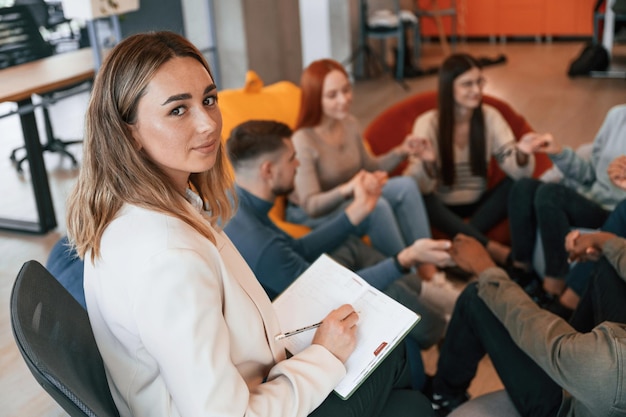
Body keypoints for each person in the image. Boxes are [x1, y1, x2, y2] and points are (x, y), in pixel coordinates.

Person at [65, 31, 435, 417]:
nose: (208, 124)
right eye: (178, 110)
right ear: (130, 133)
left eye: (209, 100)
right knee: (394, 364)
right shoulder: (167, 258)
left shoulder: (144, 209)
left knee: (407, 400)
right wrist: (323, 355)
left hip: (252, 380)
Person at [224, 120, 454, 389]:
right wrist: (403, 260)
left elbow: (295, 249)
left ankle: (429, 306)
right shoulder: (260, 243)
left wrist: (353, 216)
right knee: (387, 291)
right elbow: (319, 290)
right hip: (295, 323)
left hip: (296, 285)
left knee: (353, 247)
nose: (297, 164)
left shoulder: (237, 201)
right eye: (292, 158)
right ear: (268, 170)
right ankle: (441, 328)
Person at [429, 234, 626, 417]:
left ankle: (443, 398)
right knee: (608, 265)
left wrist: (484, 267)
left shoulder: (611, 367)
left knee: (478, 297)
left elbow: (541, 335)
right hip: (590, 364)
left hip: (566, 402)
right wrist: (603, 240)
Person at [286, 58, 432, 265]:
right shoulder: (303, 140)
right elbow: (311, 205)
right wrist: (350, 189)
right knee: (376, 206)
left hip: (349, 197)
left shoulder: (349, 124)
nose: (344, 99)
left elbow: (371, 167)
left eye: (346, 90)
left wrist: (402, 151)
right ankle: (412, 275)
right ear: (315, 99)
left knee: (406, 186)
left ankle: (429, 267)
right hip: (311, 213)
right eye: (332, 95)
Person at [404, 52, 539, 266]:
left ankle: (463, 246)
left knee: (521, 185)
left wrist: (522, 153)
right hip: (442, 207)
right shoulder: (427, 123)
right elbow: (414, 185)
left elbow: (517, 169)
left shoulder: (490, 116)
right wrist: (429, 162)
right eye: (467, 84)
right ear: (449, 87)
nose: (476, 90)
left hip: (479, 205)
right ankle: (494, 250)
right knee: (417, 195)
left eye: (479, 82)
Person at [507, 104, 626, 315]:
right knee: (524, 187)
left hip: (617, 214)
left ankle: (553, 290)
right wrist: (559, 153)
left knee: (551, 194)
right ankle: (521, 275)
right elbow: (590, 174)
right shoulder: (616, 115)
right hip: (591, 201)